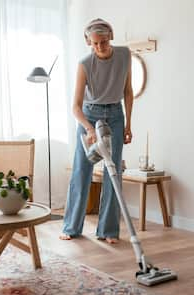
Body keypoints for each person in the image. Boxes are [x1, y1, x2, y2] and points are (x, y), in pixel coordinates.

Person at [60, 18, 133, 244]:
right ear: (88, 42)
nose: (100, 47)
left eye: (103, 42)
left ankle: (109, 231)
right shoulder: (84, 64)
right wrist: (89, 128)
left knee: (113, 172)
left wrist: (129, 124)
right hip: (89, 114)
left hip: (115, 114)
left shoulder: (124, 55)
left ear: (110, 37)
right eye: (95, 43)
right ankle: (72, 227)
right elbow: (75, 106)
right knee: (82, 171)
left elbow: (128, 92)